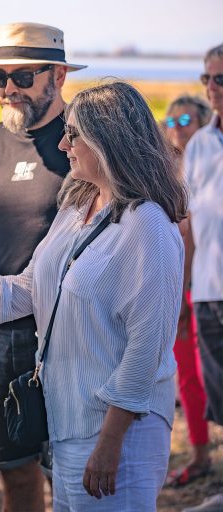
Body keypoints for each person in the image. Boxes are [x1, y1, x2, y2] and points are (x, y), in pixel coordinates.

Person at [0, 81, 186, 511]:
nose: (64, 144)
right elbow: (28, 289)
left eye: (75, 134)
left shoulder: (148, 226)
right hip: (68, 420)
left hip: (119, 433)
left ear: (109, 140)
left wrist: (109, 444)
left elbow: (148, 348)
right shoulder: (77, 207)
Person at [0, 22, 85, 511]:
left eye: (22, 77)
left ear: (57, 76)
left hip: (66, 332)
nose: (8, 89)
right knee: (14, 473)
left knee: (71, 478)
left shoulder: (84, 140)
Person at [161, 95, 213, 488]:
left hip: (206, 285)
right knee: (188, 378)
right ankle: (199, 454)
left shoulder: (209, 168)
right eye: (170, 119)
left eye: (185, 118)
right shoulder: (159, 174)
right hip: (175, 287)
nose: (176, 126)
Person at [181, 43, 223, 512]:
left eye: (221, 79)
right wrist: (183, 288)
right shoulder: (201, 144)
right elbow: (188, 224)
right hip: (209, 290)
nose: (212, 88)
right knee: (220, 396)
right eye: (207, 78)